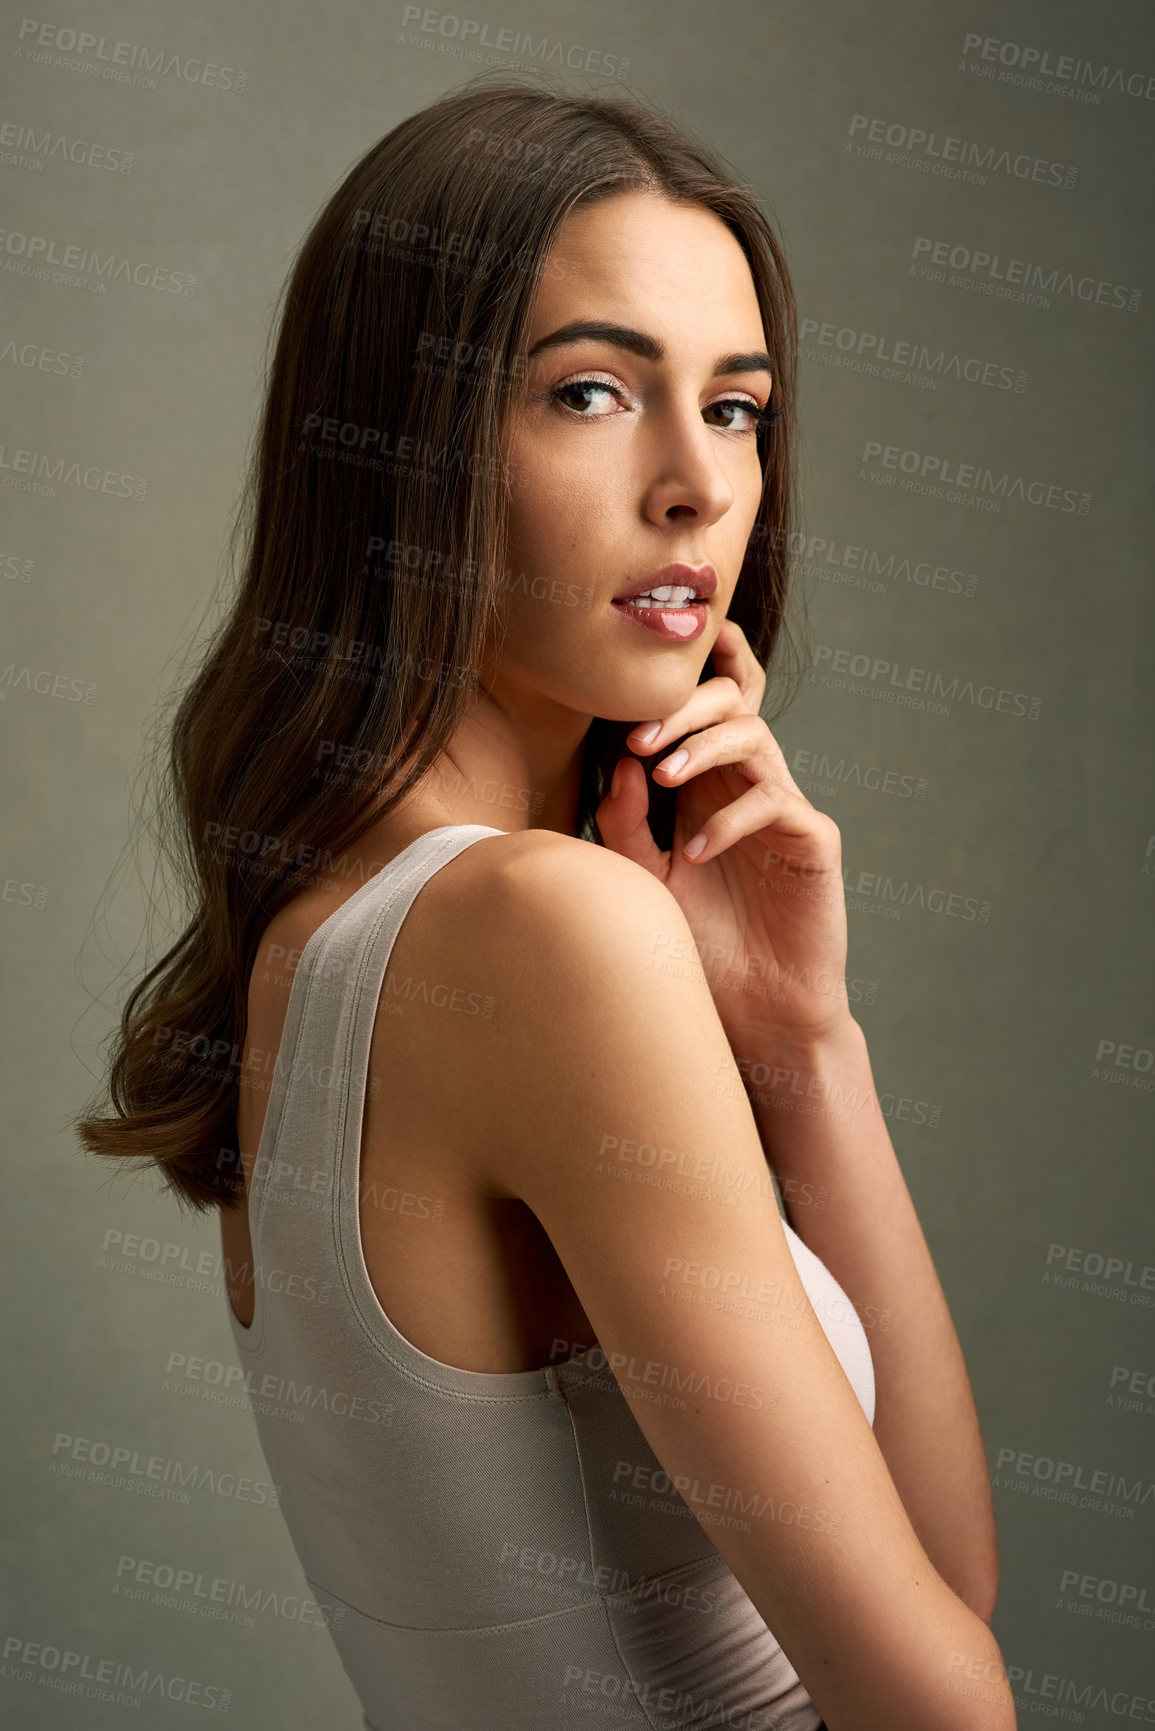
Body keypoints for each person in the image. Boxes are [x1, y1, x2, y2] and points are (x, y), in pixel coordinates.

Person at [77, 75, 1016, 1731]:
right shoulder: (541, 933)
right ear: (401, 443)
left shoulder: (328, 936)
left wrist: (806, 1037)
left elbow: (949, 1586)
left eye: (738, 408)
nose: (696, 488)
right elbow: (948, 1706)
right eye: (593, 392)